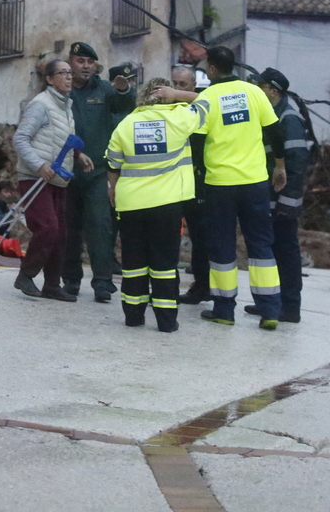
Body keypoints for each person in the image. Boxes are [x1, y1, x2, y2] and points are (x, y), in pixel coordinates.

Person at [154, 46, 287, 328]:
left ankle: (224, 310)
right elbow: (275, 130)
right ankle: (270, 310)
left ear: (212, 69)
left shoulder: (208, 98)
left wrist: (199, 175)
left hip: (219, 185)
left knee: (222, 247)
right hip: (254, 183)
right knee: (261, 244)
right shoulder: (253, 92)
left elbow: (198, 142)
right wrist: (279, 166)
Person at [107, 79, 208, 332]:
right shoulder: (181, 118)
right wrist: (179, 94)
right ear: (169, 96)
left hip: (130, 204)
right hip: (167, 205)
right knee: (164, 264)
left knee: (133, 263)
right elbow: (208, 102)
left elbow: (113, 165)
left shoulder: (126, 123)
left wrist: (113, 192)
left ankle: (133, 316)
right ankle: (165, 321)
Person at [13, 59, 94, 302]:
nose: (69, 77)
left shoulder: (65, 105)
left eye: (70, 73)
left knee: (61, 233)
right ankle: (26, 275)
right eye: (62, 73)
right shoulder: (41, 105)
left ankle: (52, 284)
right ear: (49, 79)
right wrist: (39, 165)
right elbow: (20, 139)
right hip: (35, 177)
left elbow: (61, 137)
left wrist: (78, 155)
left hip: (58, 177)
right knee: (48, 227)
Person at [62, 42, 134, 302]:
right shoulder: (63, 90)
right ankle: (70, 279)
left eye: (90, 62)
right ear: (70, 61)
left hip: (97, 174)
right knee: (69, 228)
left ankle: (103, 283)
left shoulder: (103, 89)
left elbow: (124, 103)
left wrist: (124, 88)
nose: (86, 67)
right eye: (81, 61)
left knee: (100, 227)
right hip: (66, 172)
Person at [253, 68, 311, 323]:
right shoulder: (270, 116)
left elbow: (297, 165)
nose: (257, 91)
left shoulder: (289, 119)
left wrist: (288, 204)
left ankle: (290, 307)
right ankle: (272, 302)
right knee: (272, 252)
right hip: (269, 198)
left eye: (261, 87)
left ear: (273, 91)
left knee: (286, 253)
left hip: (283, 202)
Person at [172, 65, 211, 305]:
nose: (177, 89)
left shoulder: (202, 108)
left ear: (193, 86)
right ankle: (167, 287)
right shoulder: (164, 108)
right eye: (174, 84)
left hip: (198, 182)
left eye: (183, 85)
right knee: (167, 237)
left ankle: (202, 286)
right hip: (169, 182)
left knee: (200, 238)